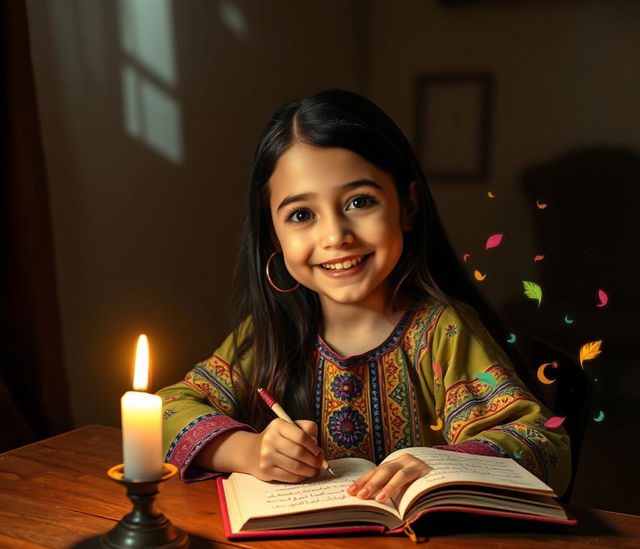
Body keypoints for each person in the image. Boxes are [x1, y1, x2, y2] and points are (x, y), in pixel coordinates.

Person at [158, 89, 571, 502]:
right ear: (273, 234)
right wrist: (249, 451)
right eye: (301, 215)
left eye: (359, 201)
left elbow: (545, 446)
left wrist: (446, 463)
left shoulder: (441, 332)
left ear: (407, 206)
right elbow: (165, 409)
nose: (336, 236)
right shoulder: (271, 333)